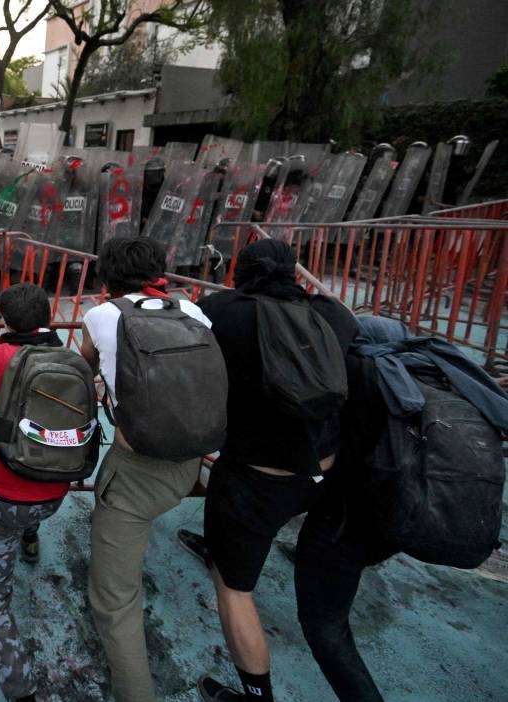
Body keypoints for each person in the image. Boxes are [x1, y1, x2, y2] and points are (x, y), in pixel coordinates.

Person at [294, 315, 508, 701]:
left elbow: (323, 454)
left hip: (348, 524)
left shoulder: (361, 375)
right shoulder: (435, 370)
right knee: (351, 554)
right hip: (404, 514)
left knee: (325, 627)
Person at [183, 239, 357, 702]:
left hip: (256, 478)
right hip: (328, 472)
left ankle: (257, 695)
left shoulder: (221, 311)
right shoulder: (336, 314)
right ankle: (220, 547)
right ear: (294, 271)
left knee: (234, 589)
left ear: (240, 272)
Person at [80, 237, 212, 702]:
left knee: (115, 600)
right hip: (192, 462)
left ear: (106, 277)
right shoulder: (191, 311)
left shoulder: (102, 316)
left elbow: (82, 369)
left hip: (135, 471)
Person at [0, 283, 71, 702]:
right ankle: (29, 537)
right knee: (24, 519)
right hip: (53, 490)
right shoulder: (69, 355)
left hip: (1, 494)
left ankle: (20, 689)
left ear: (5, 320)